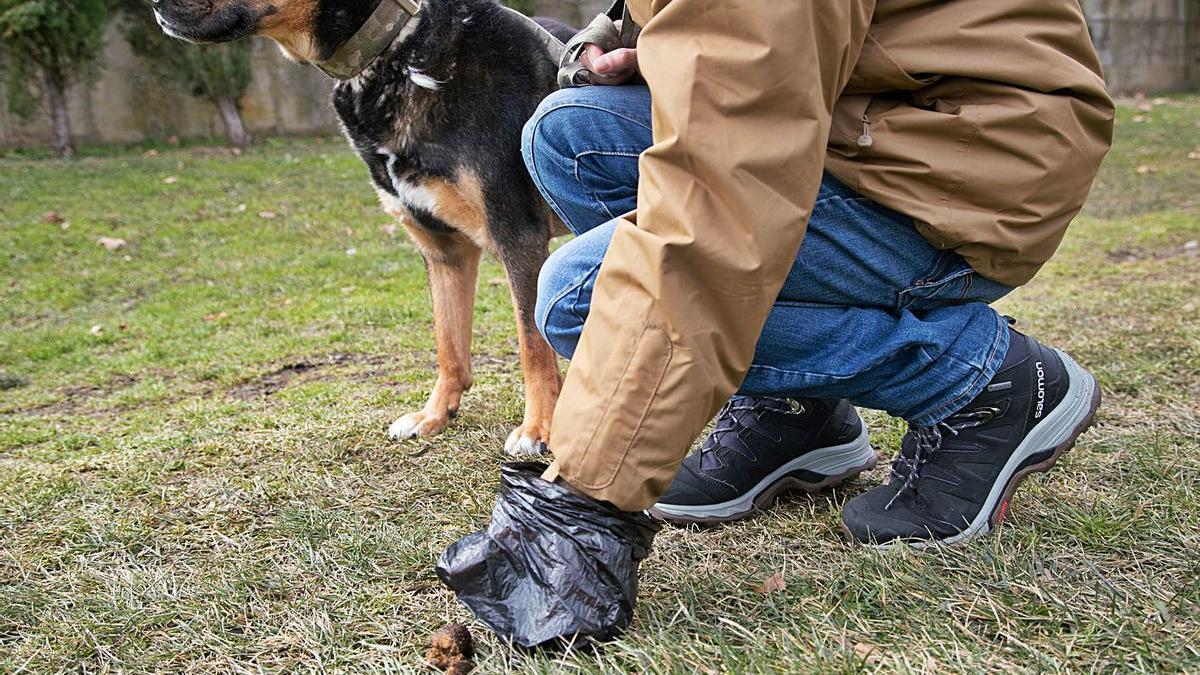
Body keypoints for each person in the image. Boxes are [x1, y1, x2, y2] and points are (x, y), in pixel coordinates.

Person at [438, 0, 1114, 647]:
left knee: (576, 300)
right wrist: (627, 33)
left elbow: (727, 192)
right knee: (568, 135)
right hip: (887, 118)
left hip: (971, 164)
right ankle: (796, 410)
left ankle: (976, 380)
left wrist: (581, 501)